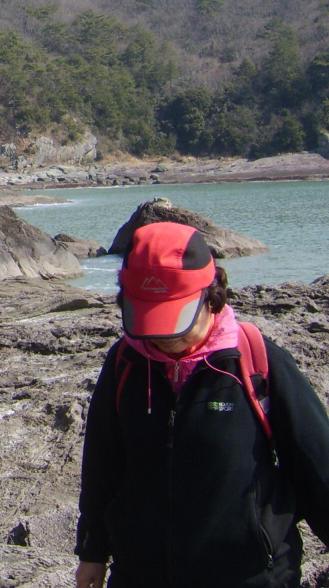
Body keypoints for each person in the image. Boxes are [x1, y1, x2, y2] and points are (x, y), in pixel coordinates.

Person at [74, 222, 329, 588]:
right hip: (140, 575)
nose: (162, 340)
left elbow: (318, 466)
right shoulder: (125, 362)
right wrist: (92, 552)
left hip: (251, 575)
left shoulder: (258, 362)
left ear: (212, 296)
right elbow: (102, 467)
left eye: (175, 323)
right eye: (148, 321)